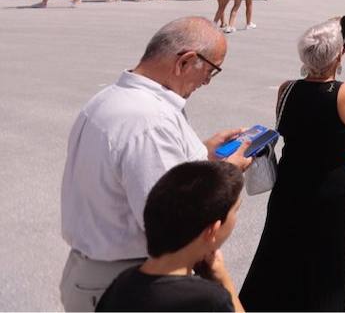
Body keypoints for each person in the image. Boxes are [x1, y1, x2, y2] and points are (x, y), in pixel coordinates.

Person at [59, 17, 249, 310]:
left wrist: (201, 154)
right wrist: (223, 178)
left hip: (99, 275)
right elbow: (173, 223)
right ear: (185, 62)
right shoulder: (150, 123)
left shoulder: (113, 98)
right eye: (210, 72)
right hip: (129, 283)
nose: (206, 83)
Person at [238, 19, 345, 311]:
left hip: (289, 184)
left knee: (279, 251)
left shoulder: (287, 89)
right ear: (337, 55)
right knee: (326, 260)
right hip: (329, 191)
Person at [96, 161, 246, 313]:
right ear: (212, 231)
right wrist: (223, 278)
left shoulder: (121, 286)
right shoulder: (209, 301)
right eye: (236, 210)